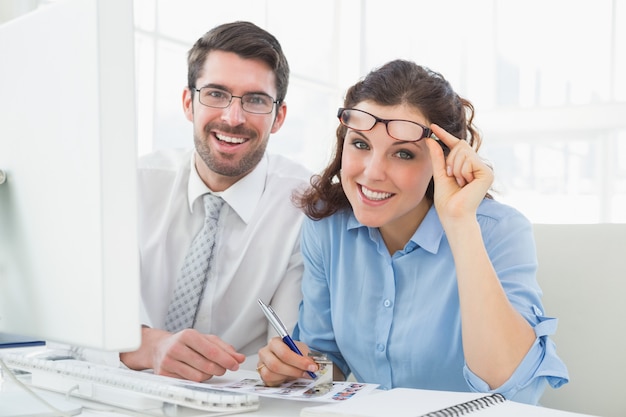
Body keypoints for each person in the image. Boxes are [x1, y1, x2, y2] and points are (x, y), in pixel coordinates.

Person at [257, 59, 569, 404]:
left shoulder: (501, 232)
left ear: (444, 163)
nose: (373, 173)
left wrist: (460, 224)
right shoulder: (327, 228)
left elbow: (509, 384)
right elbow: (329, 361)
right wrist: (297, 369)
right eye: (360, 144)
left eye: (403, 154)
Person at [119, 21, 311, 382]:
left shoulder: (304, 206)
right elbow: (75, 327)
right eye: (216, 94)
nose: (232, 118)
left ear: (278, 117)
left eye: (255, 100)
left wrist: (285, 365)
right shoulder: (131, 187)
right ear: (189, 103)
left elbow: (290, 348)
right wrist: (150, 346)